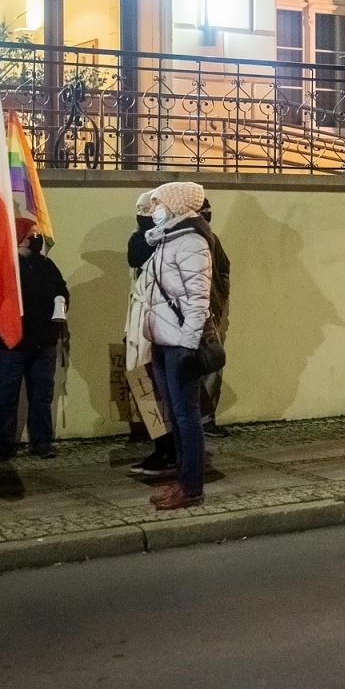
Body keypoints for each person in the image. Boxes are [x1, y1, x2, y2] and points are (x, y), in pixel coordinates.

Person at [142, 181, 215, 510]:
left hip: (179, 345)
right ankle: (182, 480)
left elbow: (198, 300)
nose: (154, 210)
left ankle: (191, 488)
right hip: (162, 340)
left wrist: (187, 345)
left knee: (186, 417)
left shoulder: (191, 241)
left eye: (158, 203)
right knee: (175, 414)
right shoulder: (167, 238)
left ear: (174, 205)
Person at [0, 232, 69, 460]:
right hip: (9, 343)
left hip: (43, 341)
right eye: (28, 235)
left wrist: (61, 302)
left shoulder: (46, 264)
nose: (34, 239)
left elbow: (62, 290)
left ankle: (42, 442)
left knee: (41, 395)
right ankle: (2, 444)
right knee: (5, 395)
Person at [127, 190, 176, 478]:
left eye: (149, 209)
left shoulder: (175, 239)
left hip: (162, 326)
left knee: (164, 389)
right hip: (142, 323)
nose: (145, 214)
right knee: (147, 387)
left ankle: (171, 449)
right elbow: (135, 259)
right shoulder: (142, 239)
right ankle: (162, 445)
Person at [199, 195, 233, 438]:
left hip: (210, 314)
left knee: (213, 364)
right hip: (188, 315)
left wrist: (219, 298)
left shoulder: (212, 240)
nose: (206, 216)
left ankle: (206, 418)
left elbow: (223, 268)